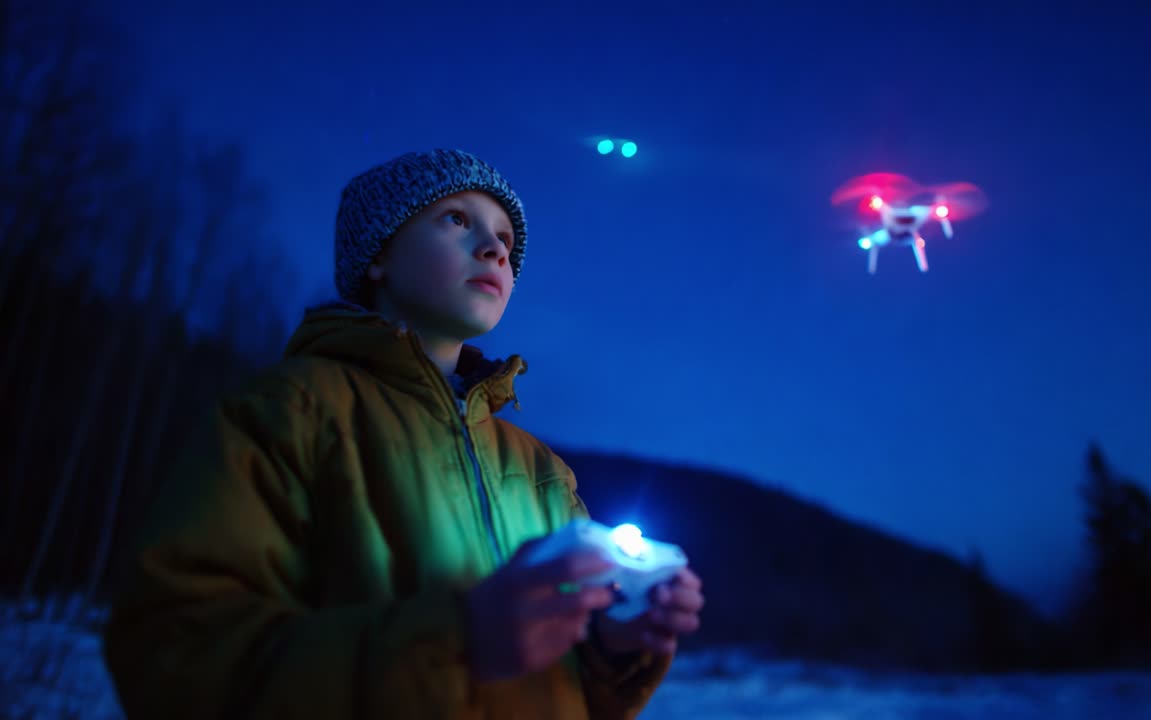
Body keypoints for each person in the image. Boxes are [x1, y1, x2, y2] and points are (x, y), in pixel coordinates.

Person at [103, 149, 704, 719]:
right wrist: (458, 641)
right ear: (378, 255)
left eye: (506, 240)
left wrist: (616, 643)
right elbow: (174, 656)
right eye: (456, 219)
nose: (494, 248)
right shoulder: (292, 410)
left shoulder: (543, 473)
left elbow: (572, 694)